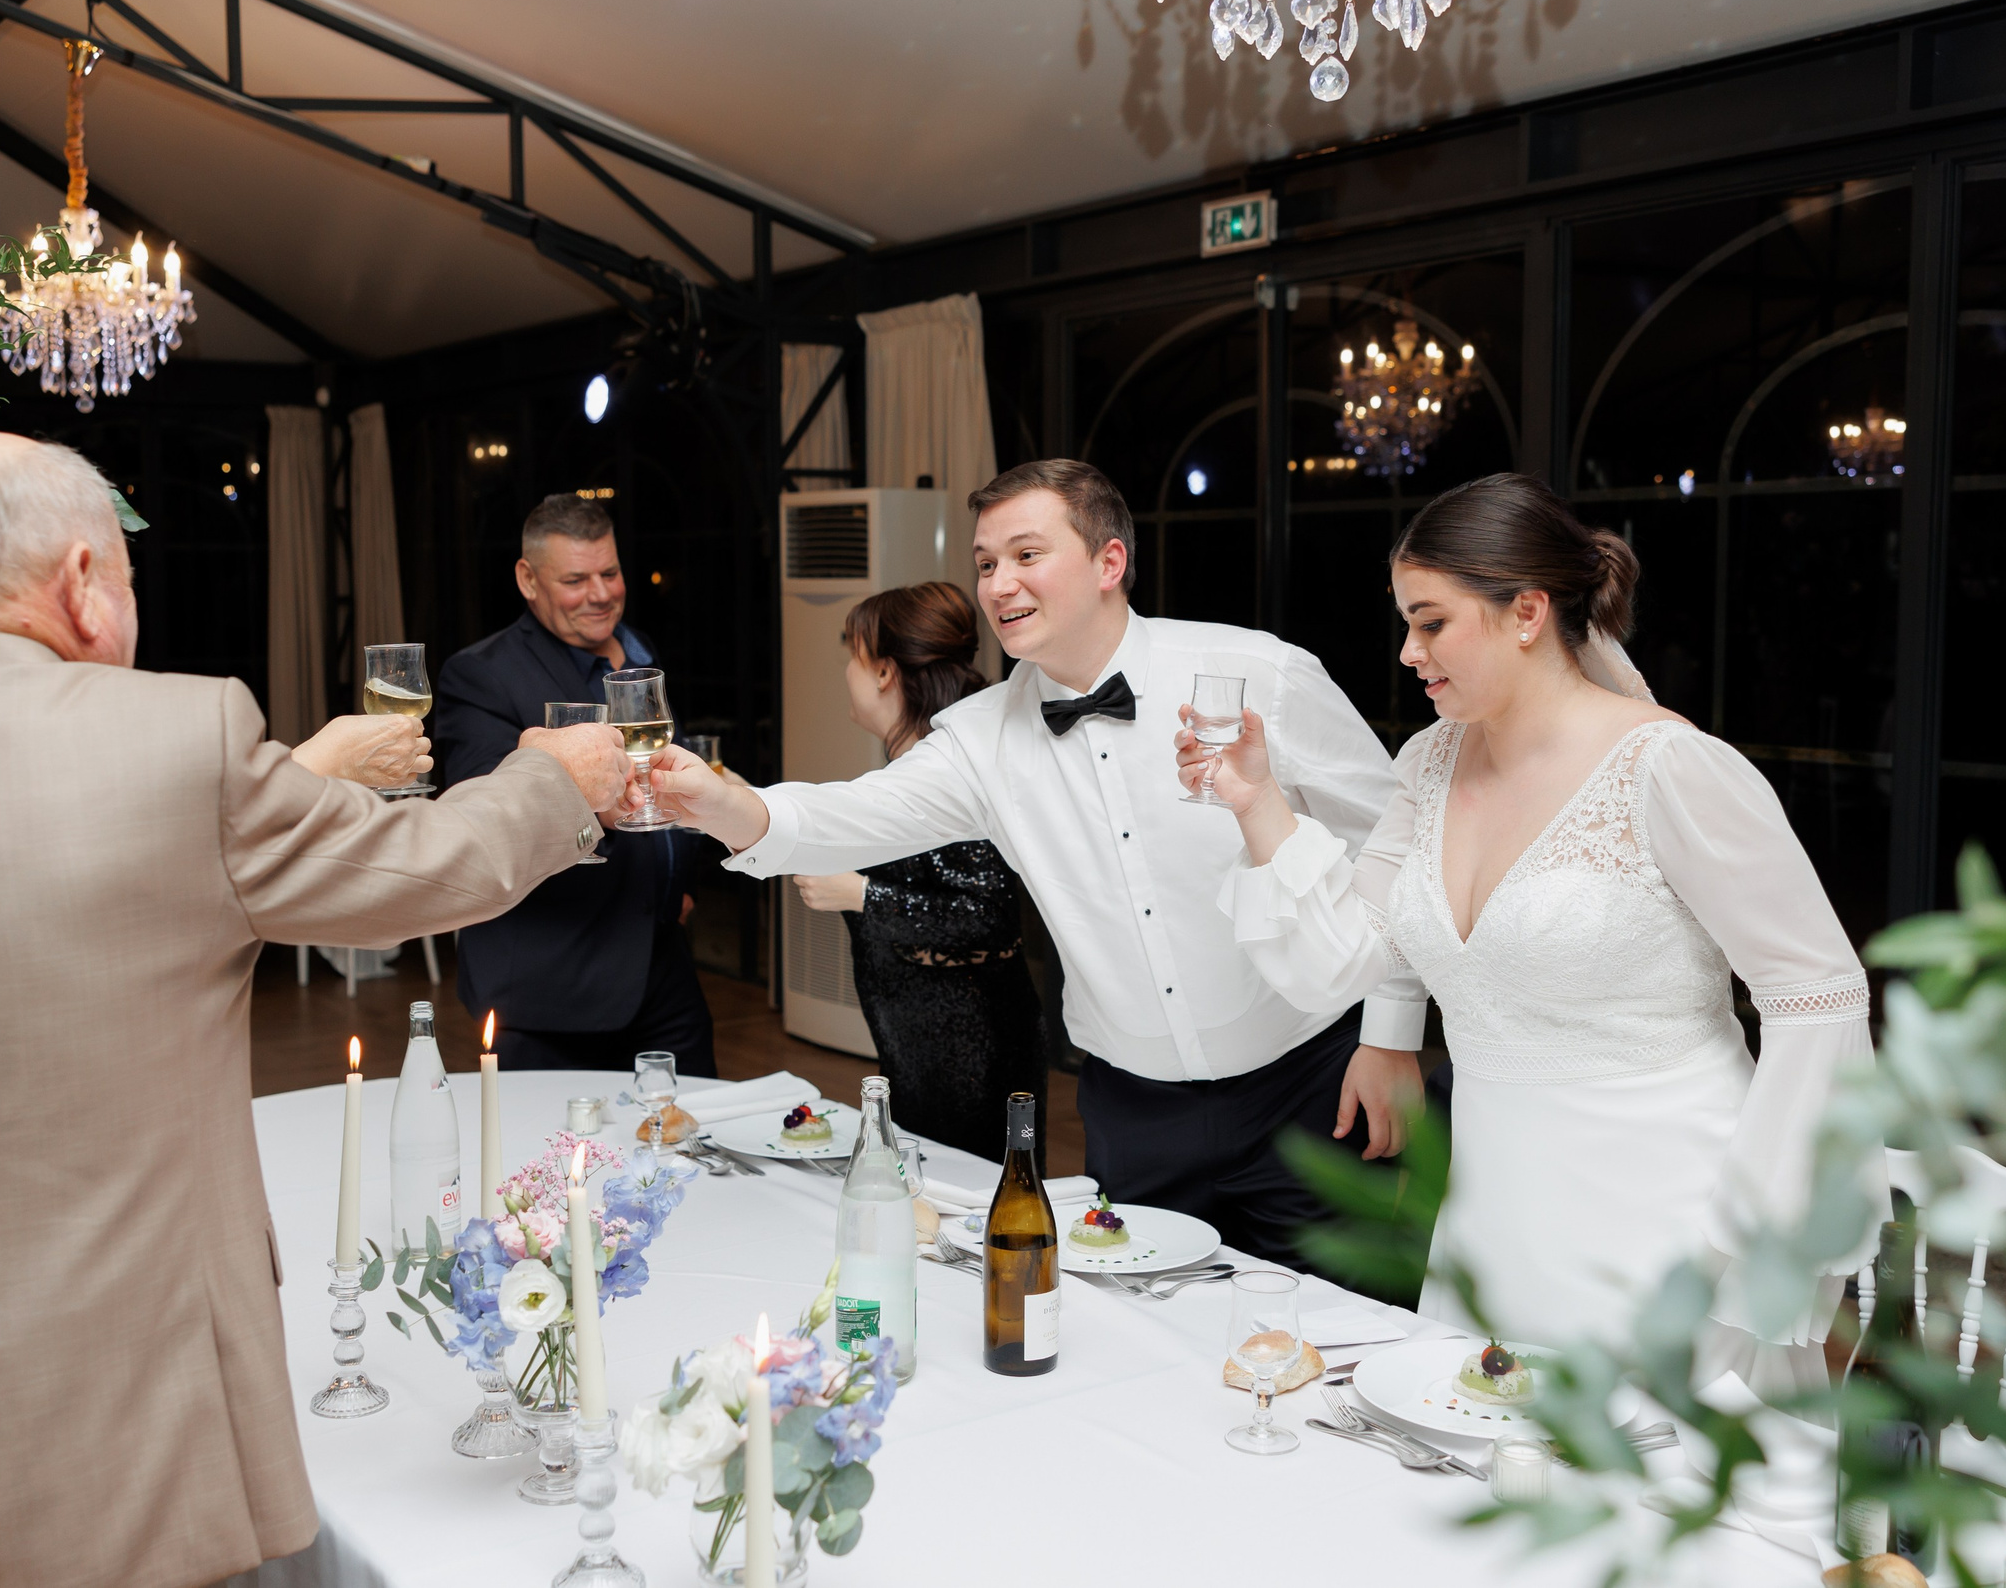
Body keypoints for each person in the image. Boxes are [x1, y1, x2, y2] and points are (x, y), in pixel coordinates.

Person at [0, 433, 630, 1588]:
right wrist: (556, 781)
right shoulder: (178, 737)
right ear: (81, 582)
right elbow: (425, 864)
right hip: (124, 1441)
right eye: (128, 579)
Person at [1185, 472, 1881, 1387]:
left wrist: (1768, 1226)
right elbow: (1342, 959)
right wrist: (1257, 803)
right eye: (1405, 622)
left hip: (1664, 1216)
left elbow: (1818, 990)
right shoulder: (1427, 763)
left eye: (1431, 622)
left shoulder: (1668, 767)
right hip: (1494, 1209)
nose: (1407, 650)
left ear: (1527, 611)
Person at [649, 460, 1413, 1265]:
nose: (998, 583)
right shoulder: (979, 738)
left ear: (1109, 563)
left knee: (1334, 1346)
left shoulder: (1261, 673)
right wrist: (732, 807)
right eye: (985, 563)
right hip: (1133, 1114)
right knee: (1151, 1356)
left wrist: (1392, 1032)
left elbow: (1394, 840)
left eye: (1025, 555)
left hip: (1309, 1084)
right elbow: (849, 816)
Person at [433, 493, 715, 1076]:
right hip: (552, 987)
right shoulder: (480, 674)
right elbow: (483, 811)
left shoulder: (638, 651)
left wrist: (677, 880)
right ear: (528, 580)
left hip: (661, 967)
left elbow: (661, 771)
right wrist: (599, 804)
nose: (601, 593)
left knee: (690, 1148)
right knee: (558, 1166)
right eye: (576, 579)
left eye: (610, 572)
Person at [792, 583, 1048, 1165]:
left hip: (967, 1043)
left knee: (968, 1199)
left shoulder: (951, 770)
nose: (846, 675)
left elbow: (987, 916)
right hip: (920, 1036)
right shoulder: (916, 759)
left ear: (884, 672)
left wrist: (862, 893)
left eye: (850, 658)